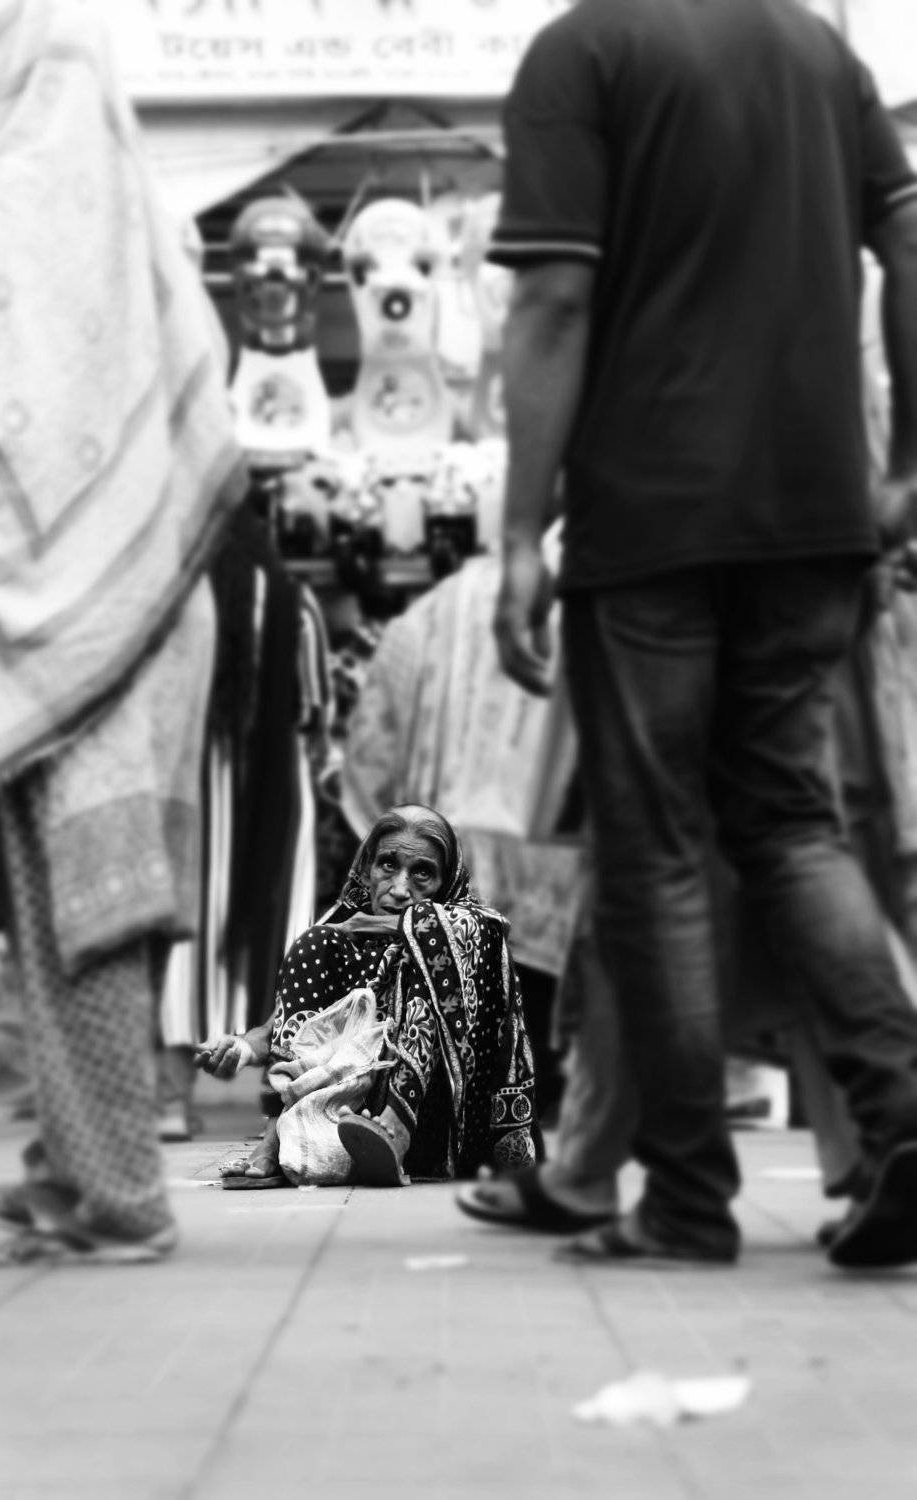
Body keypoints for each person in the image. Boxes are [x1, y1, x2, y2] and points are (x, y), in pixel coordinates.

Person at [472, 0, 917, 1268]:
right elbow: (909, 235)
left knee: (657, 853)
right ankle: (903, 1120)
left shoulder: (582, 52)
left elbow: (554, 299)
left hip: (654, 512)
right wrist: (908, 461)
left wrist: (521, 533)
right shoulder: (821, 52)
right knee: (792, 824)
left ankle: (684, 1201)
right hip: (814, 512)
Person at [0, 0, 244, 1264]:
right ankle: (70, 1163)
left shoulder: (5, 210)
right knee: (101, 898)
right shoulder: (128, 203)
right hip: (147, 594)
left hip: (68, 621)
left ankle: (120, 1197)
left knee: (84, 900)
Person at [197, 804, 538, 1186]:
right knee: (315, 942)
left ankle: (396, 1127)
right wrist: (241, 1048)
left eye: (422, 873)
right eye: (388, 865)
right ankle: (279, 1138)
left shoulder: (471, 927)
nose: (400, 888)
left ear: (446, 883)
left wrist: (405, 929)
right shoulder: (342, 938)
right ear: (366, 869)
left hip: (435, 1124)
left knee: (431, 949)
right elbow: (285, 1024)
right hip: (345, 1112)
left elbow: (481, 930)